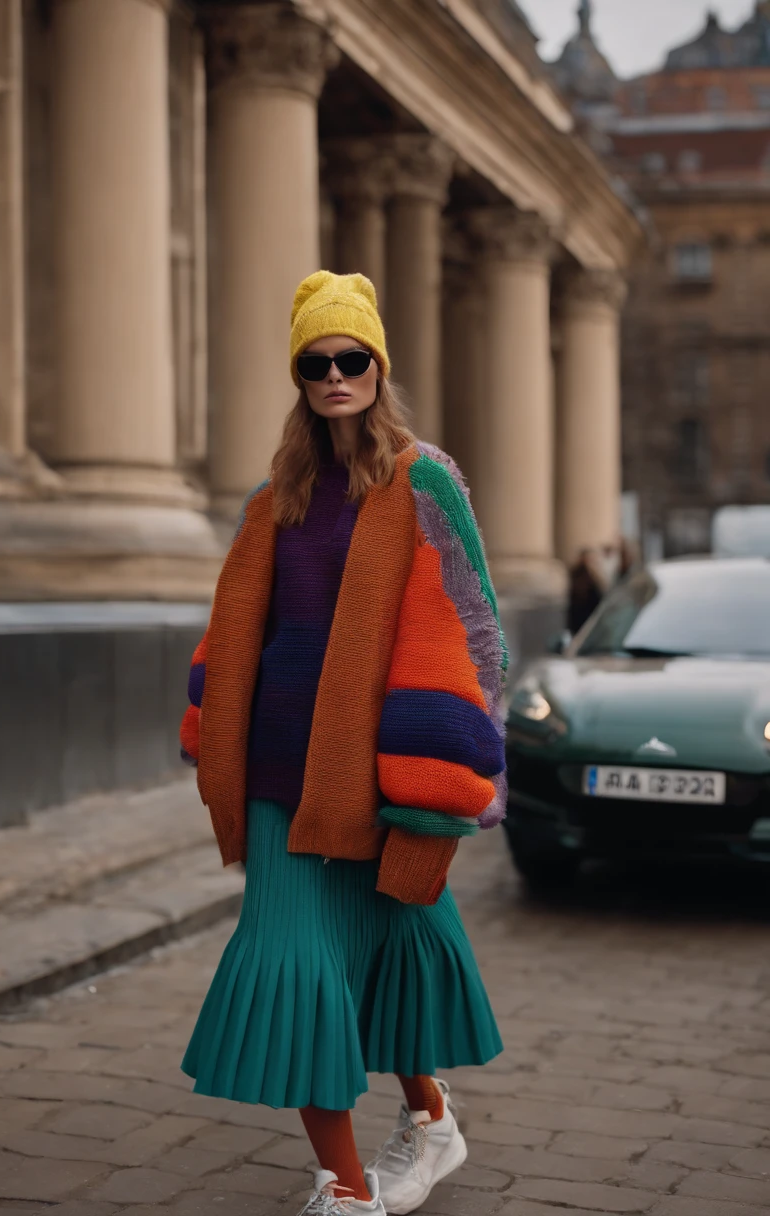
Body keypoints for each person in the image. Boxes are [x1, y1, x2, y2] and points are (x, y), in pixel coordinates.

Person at [178, 271, 507, 1216]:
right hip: (281, 773)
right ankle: (349, 1188)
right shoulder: (275, 494)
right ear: (300, 377)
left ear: (377, 366)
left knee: (397, 948)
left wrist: (450, 766)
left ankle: (432, 1118)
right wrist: (211, 727)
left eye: (350, 358)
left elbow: (474, 625)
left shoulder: (422, 478)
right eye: (315, 363)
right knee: (292, 966)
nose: (334, 376)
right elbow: (238, 625)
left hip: (378, 773)